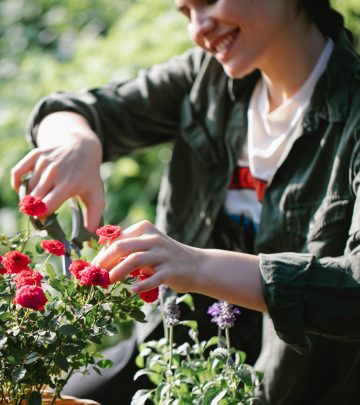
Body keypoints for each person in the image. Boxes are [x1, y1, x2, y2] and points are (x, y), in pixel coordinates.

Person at [11, 0, 360, 404]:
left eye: (209, 1)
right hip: (166, 353)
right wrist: (75, 142)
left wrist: (195, 265)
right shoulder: (205, 78)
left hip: (293, 384)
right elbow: (71, 110)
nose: (199, 28)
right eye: (186, 12)